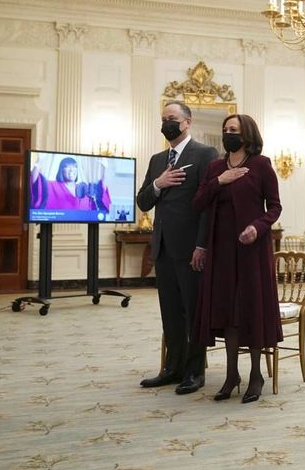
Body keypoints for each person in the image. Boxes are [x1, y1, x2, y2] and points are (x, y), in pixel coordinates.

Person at [191, 113, 283, 404]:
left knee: (250, 309)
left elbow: (275, 206)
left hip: (251, 248)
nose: (228, 133)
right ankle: (232, 375)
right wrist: (220, 180)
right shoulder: (216, 167)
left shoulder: (261, 165)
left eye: (234, 129)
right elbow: (199, 202)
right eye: (225, 129)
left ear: (247, 135)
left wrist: (257, 227)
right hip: (221, 249)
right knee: (228, 311)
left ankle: (256, 374)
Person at [136, 100, 219, 394]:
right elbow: (143, 201)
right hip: (163, 248)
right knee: (170, 313)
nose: (166, 123)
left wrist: (202, 245)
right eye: (163, 118)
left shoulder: (205, 154)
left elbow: (210, 205)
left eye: (171, 118)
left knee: (193, 312)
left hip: (191, 250)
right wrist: (158, 183)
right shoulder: (157, 160)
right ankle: (172, 369)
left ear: (187, 122)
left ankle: (195, 373)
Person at [30, 156, 111, 212]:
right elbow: (35, 183)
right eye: (67, 167)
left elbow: (102, 191)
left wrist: (105, 169)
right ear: (61, 170)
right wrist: (38, 162)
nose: (72, 170)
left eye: (74, 166)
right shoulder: (52, 186)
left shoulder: (84, 189)